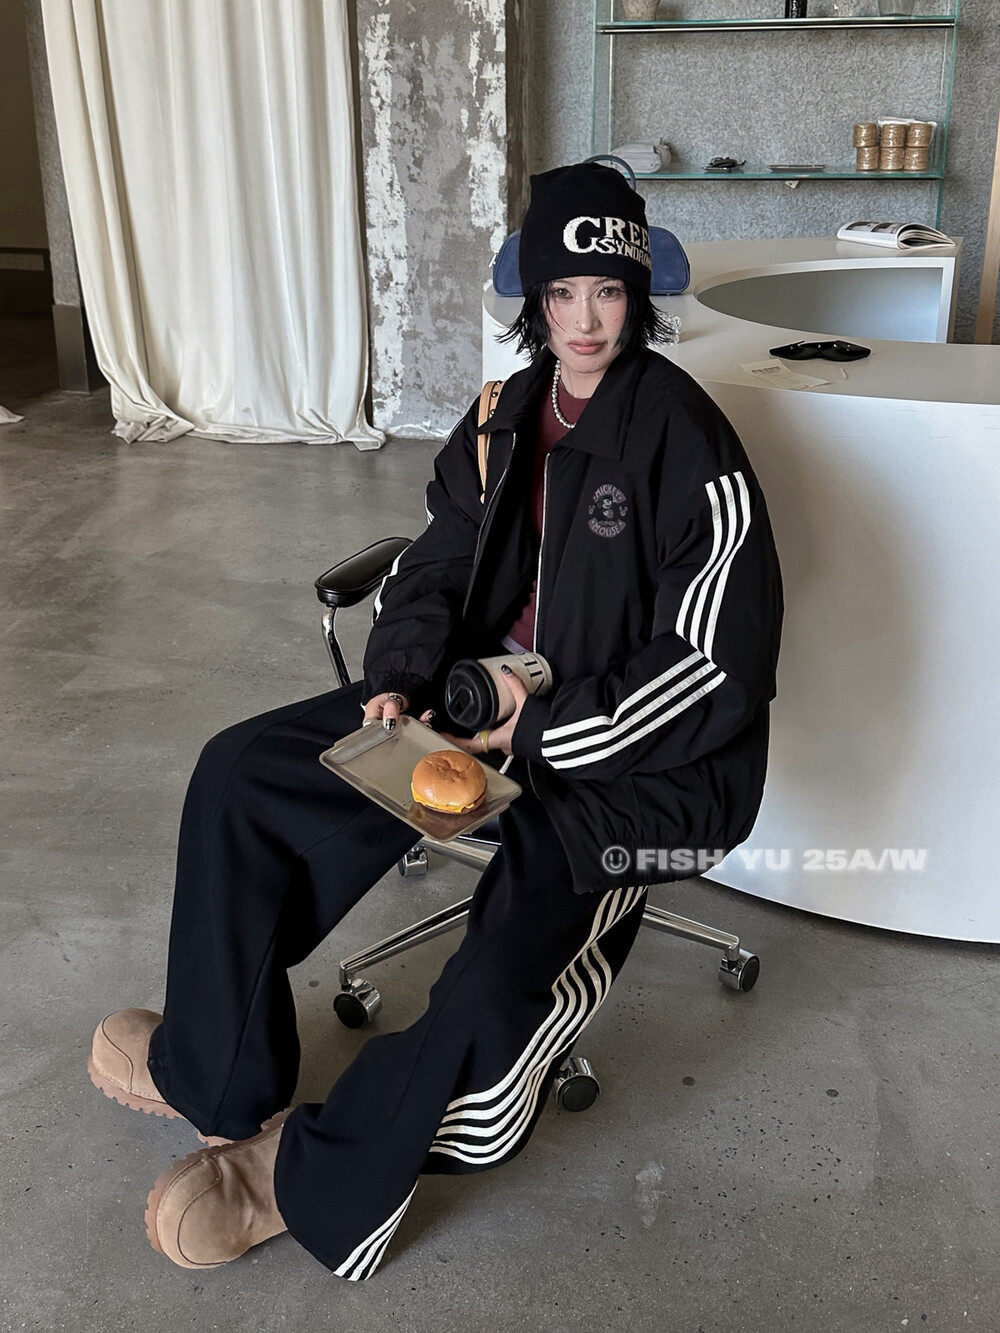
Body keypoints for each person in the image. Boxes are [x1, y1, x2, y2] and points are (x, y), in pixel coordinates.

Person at [87, 161, 783, 1278]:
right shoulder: (502, 414)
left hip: (631, 769)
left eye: (607, 292)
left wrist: (538, 730)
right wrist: (402, 677)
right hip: (470, 705)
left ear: (636, 295)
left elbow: (714, 669)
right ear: (536, 299)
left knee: (498, 976)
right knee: (241, 773)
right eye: (562, 293)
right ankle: (213, 1072)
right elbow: (438, 558)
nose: (585, 319)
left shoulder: (687, 441)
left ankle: (303, 1180)